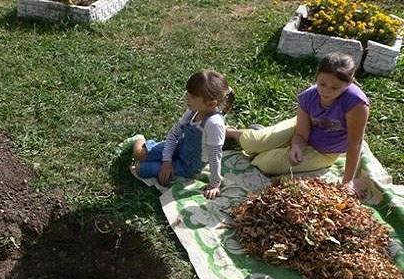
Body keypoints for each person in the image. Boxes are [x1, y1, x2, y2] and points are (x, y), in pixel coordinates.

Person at [225, 52, 369, 197]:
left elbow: (354, 143)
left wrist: (347, 181)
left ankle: (264, 140)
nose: (326, 91)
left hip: (324, 151)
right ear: (317, 76)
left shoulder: (356, 103)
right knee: (252, 142)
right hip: (302, 128)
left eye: (335, 88)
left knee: (266, 164)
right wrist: (297, 146)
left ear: (349, 82)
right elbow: (301, 133)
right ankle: (231, 132)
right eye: (322, 84)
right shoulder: (308, 96)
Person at [132, 70, 234, 199]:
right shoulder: (193, 110)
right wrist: (167, 161)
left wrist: (214, 184)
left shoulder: (214, 124)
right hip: (179, 147)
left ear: (211, 103)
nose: (187, 98)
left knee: (141, 169)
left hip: (189, 166)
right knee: (138, 154)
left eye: (192, 96)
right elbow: (173, 135)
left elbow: (215, 157)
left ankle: (152, 152)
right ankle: (141, 139)